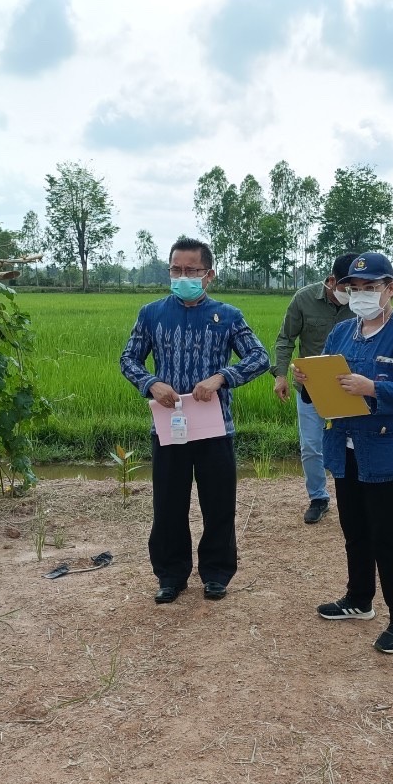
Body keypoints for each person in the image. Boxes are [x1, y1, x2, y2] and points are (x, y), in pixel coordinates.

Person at [295, 251, 393, 654]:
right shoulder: (341, 333)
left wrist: (372, 388)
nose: (360, 295)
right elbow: (325, 388)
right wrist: (306, 380)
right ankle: (359, 599)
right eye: (353, 288)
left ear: (390, 288)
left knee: (387, 536)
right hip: (346, 447)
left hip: (389, 451)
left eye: (370, 288)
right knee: (354, 531)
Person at [119, 237, 271, 604]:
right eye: (176, 269)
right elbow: (129, 360)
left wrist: (222, 377)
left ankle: (216, 573)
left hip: (215, 428)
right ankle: (171, 575)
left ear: (209, 275)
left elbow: (259, 357)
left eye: (191, 270)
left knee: (218, 503)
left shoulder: (229, 316)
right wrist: (151, 383)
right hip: (168, 428)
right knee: (168, 504)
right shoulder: (152, 314)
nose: (182, 276)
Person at [272, 254, 358, 524]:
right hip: (310, 385)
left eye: (359, 288)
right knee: (311, 445)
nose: (354, 294)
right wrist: (281, 375)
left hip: (351, 386)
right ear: (332, 281)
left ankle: (355, 495)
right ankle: (318, 498)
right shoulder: (304, 298)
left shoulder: (363, 305)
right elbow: (286, 338)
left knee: (352, 444)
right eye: (349, 288)